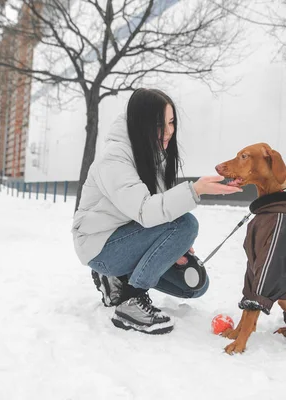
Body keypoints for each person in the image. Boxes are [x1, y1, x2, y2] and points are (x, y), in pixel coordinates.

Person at [72, 88, 242, 334]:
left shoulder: (152, 155)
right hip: (100, 246)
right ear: (141, 123)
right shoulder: (115, 159)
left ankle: (117, 280)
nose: (170, 131)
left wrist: (173, 245)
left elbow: (161, 211)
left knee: (193, 285)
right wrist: (195, 191)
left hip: (127, 238)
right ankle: (131, 299)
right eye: (160, 124)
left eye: (171, 122)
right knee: (186, 225)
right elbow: (146, 211)